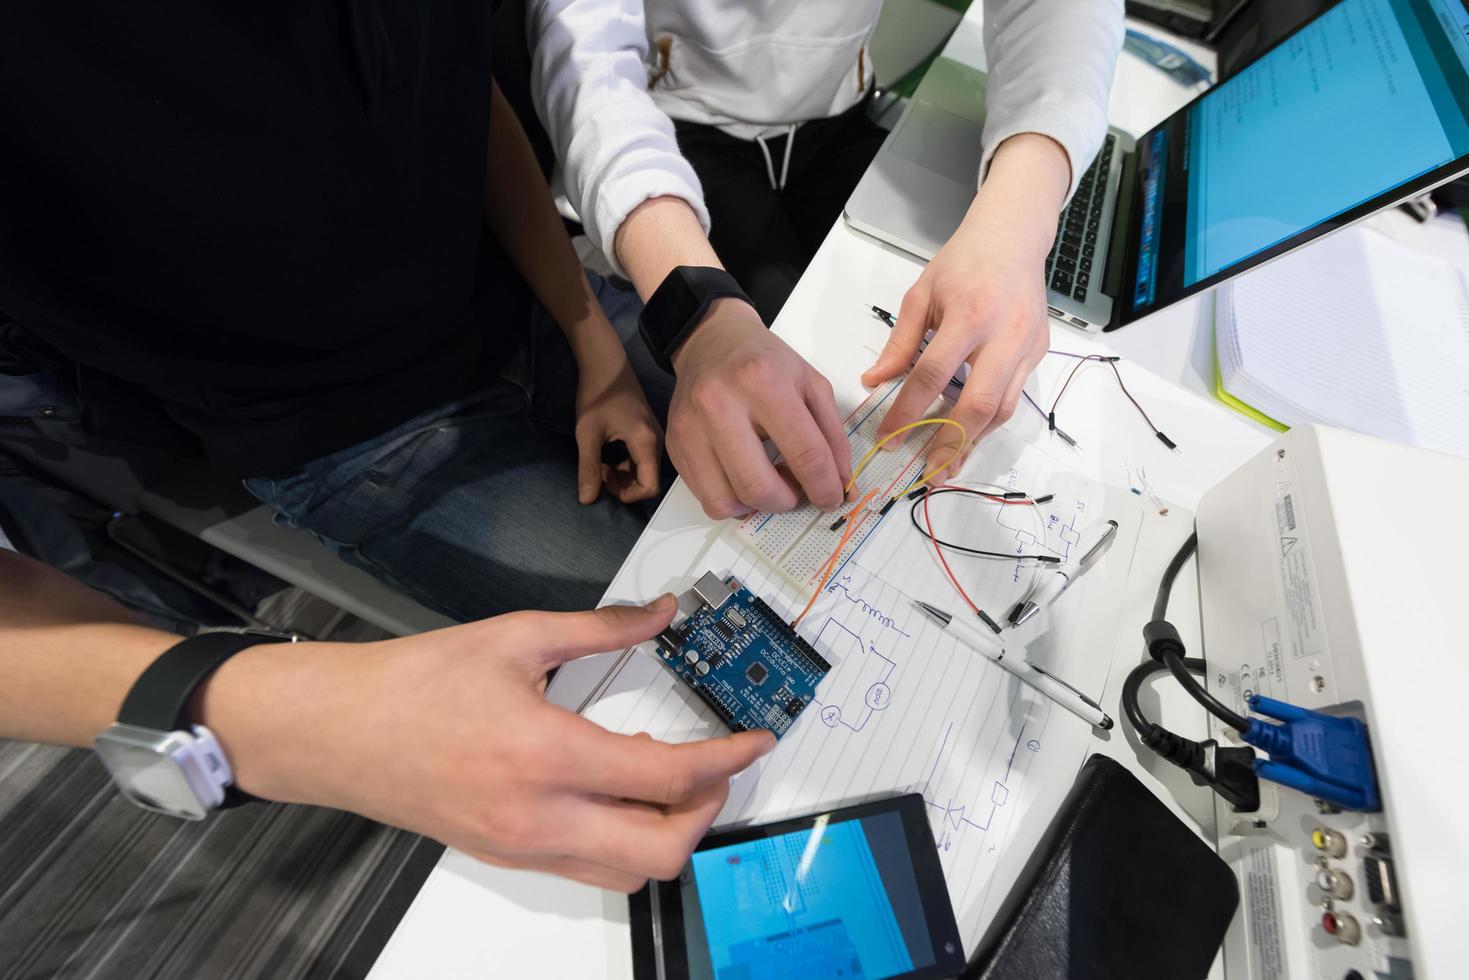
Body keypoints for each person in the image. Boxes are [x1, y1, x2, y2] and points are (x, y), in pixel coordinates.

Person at [530, 0, 1124, 485]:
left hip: (840, 110)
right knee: (796, 383)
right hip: (680, 133)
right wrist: (700, 316)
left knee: (925, 342)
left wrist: (1016, 223)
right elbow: (588, 66)